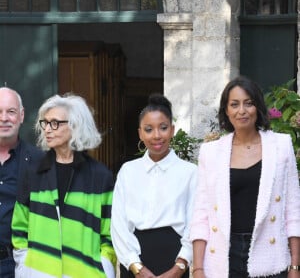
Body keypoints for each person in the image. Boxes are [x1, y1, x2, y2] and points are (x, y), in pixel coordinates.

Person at [190, 76, 300, 278]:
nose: (242, 110)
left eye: (248, 103)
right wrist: (197, 268)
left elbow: (293, 211)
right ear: (226, 110)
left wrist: (295, 267)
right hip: (224, 256)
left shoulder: (281, 146)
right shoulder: (211, 152)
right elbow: (201, 214)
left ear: (258, 107)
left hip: (271, 254)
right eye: (234, 104)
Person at [11, 94, 116, 278]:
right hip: (39, 273)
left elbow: (110, 233)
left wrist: (105, 266)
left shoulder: (100, 176)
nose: (48, 130)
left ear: (75, 125)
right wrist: (24, 268)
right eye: (45, 123)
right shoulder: (34, 172)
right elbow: (20, 226)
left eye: (55, 123)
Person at [111, 93, 198, 278]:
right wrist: (136, 267)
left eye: (163, 128)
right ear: (140, 133)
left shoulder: (190, 173)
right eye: (149, 129)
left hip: (174, 259)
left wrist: (180, 267)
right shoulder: (128, 171)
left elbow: (195, 223)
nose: (157, 136)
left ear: (172, 130)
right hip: (134, 260)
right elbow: (118, 224)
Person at [0, 87, 43, 278]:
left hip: (20, 265)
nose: (4, 118)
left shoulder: (40, 161)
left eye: (11, 111)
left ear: (22, 115)